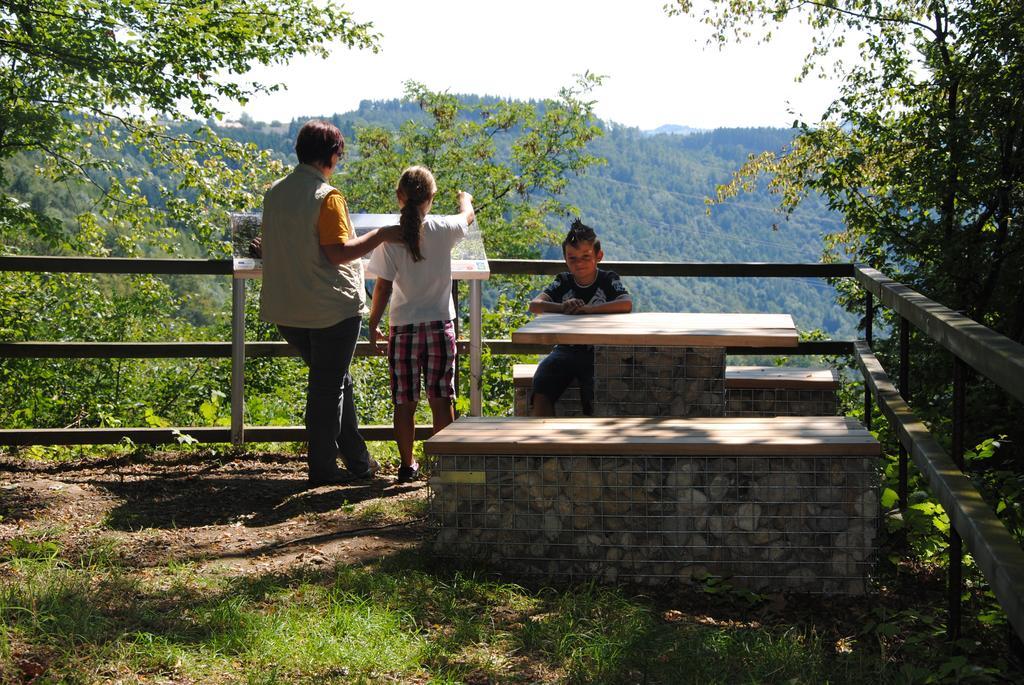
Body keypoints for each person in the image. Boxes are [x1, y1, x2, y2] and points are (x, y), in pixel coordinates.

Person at [259, 119, 402, 487]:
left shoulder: (275, 192)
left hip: (287, 310)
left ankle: (358, 461)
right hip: (328, 311)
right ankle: (322, 469)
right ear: (333, 155)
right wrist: (382, 234)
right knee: (327, 388)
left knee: (337, 382)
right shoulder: (328, 197)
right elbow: (338, 253)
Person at [367, 166, 475, 483]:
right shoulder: (444, 228)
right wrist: (464, 199)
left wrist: (373, 324)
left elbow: (383, 288)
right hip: (441, 326)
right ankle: (443, 466)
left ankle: (407, 465)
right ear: (431, 197)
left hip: (403, 329)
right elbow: (467, 217)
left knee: (405, 402)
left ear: (400, 197)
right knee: (442, 399)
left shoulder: (391, 238)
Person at [528, 219, 632, 416]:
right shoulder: (563, 281)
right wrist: (562, 307)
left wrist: (589, 310)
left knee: (596, 396)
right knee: (541, 386)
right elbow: (535, 305)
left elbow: (626, 303)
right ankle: (543, 443)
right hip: (565, 350)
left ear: (598, 256)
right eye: (572, 258)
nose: (579, 263)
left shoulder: (608, 279)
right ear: (565, 259)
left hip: (600, 351)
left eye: (586, 256)